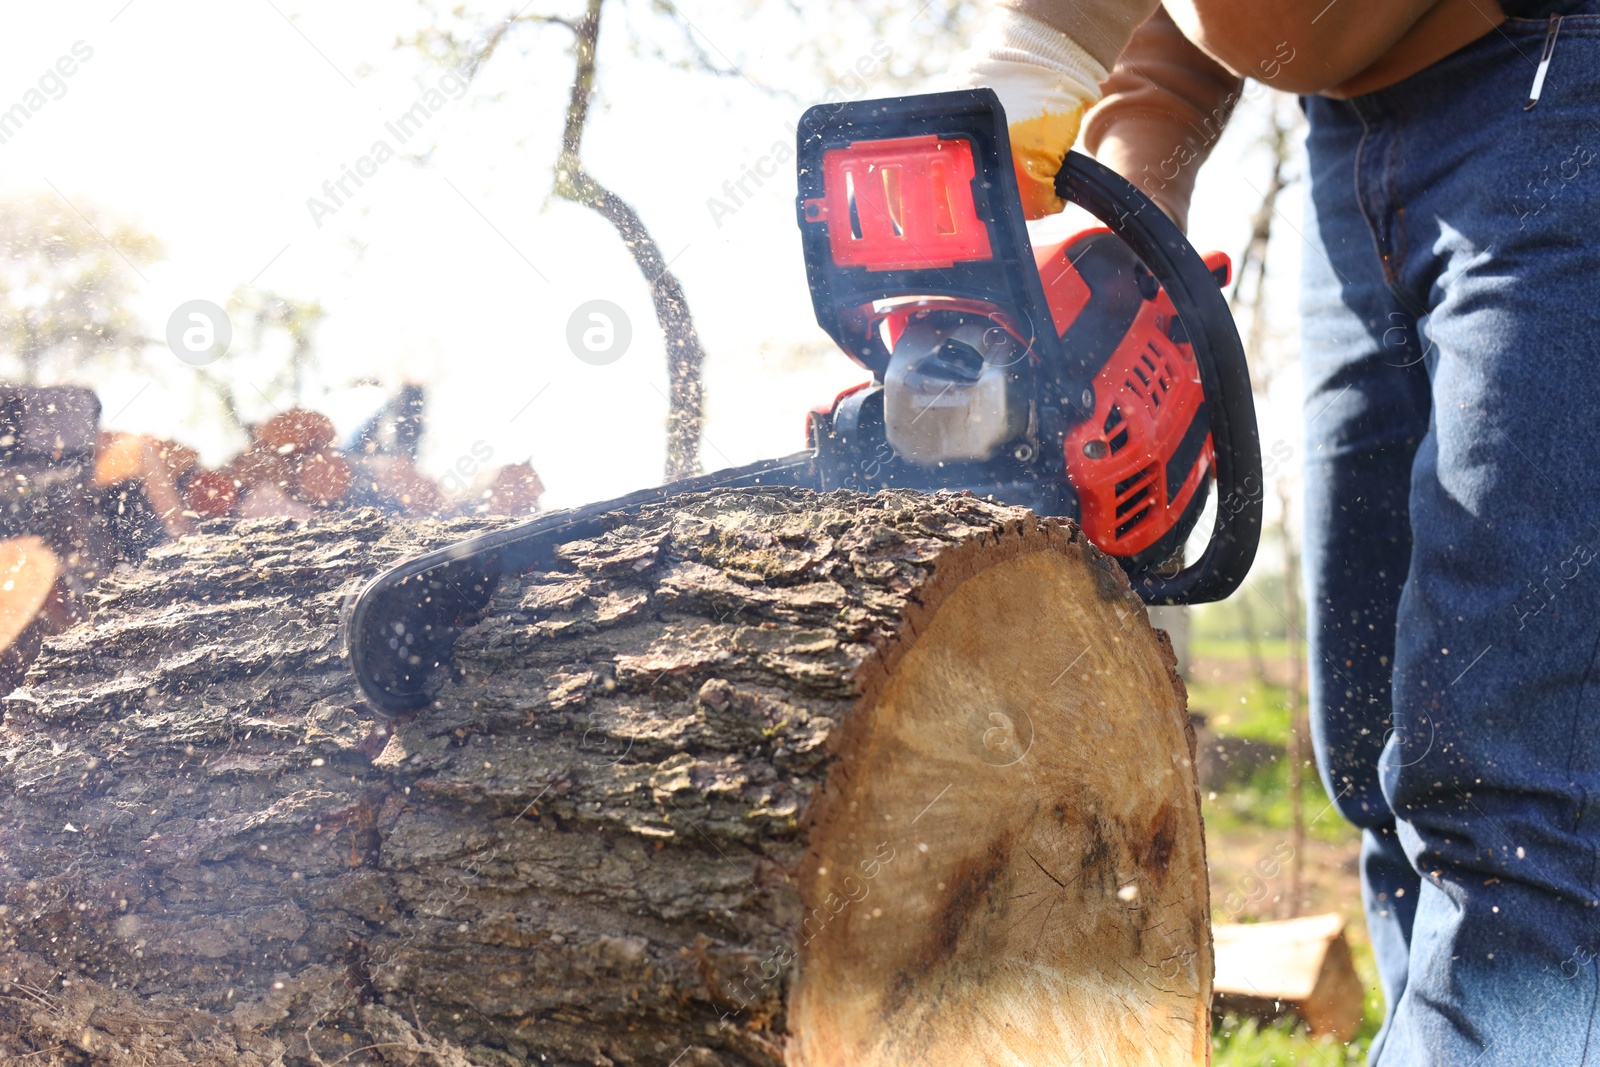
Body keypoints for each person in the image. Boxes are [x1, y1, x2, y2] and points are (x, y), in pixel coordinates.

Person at [956, 2, 1600, 1062]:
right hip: (1346, 143)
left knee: (1507, 780)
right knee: (1371, 750)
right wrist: (1123, 198)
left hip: (1548, 84)